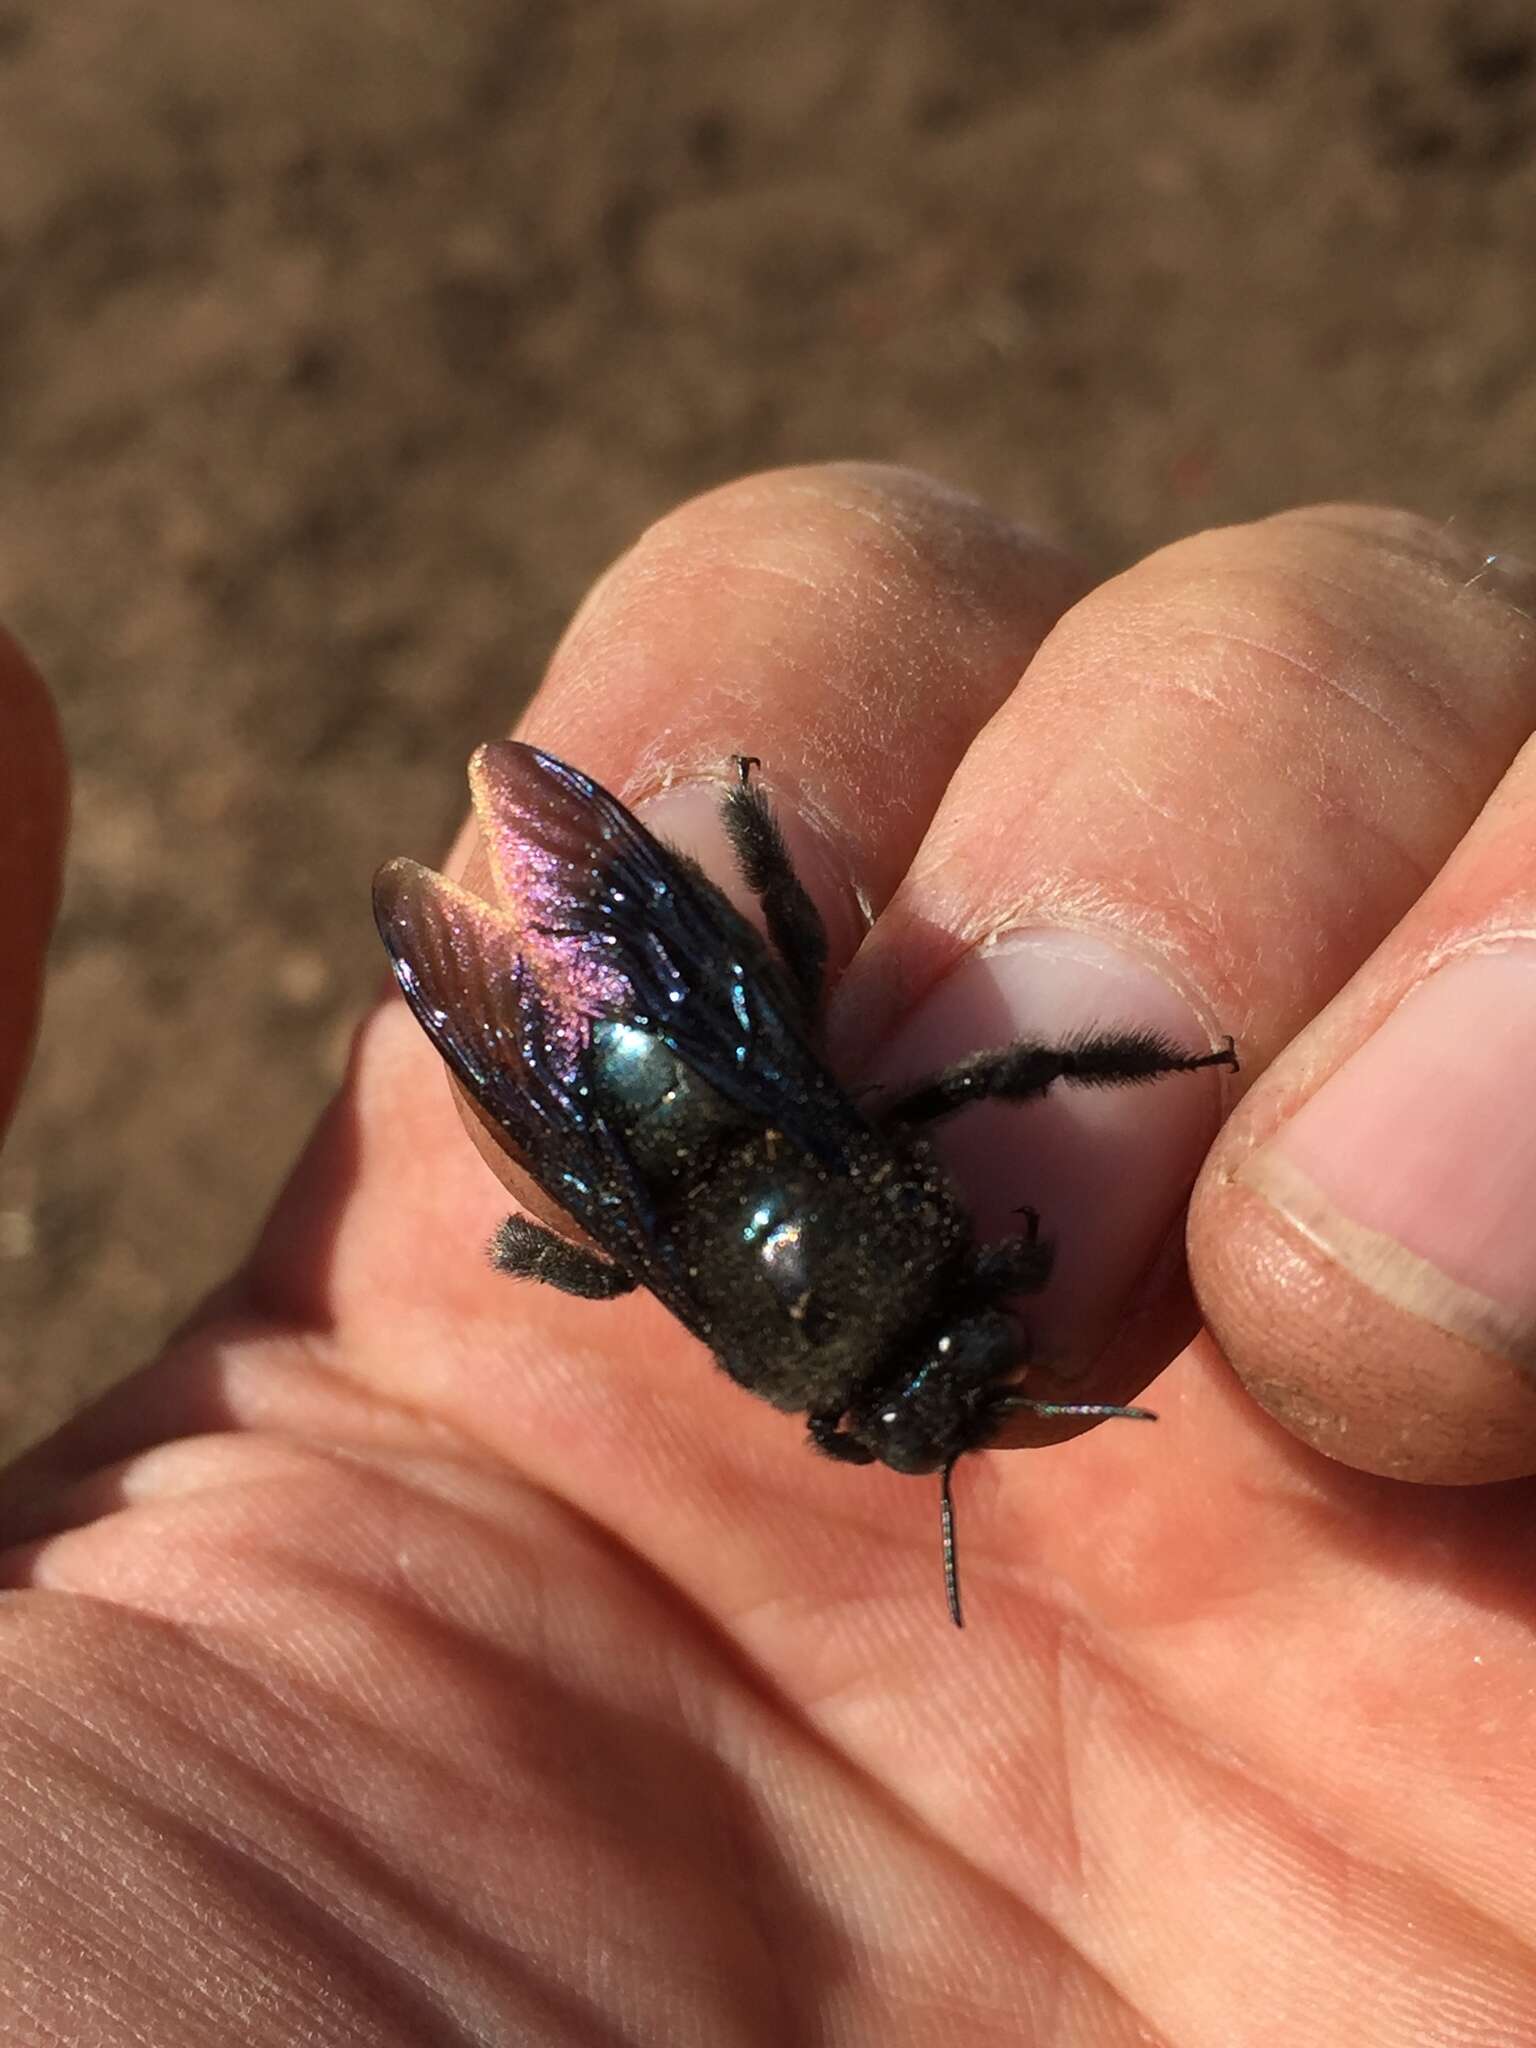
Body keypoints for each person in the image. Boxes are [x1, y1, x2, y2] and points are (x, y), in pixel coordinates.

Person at [2, 464, 1534, 2042]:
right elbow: (711, 1248)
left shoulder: (882, 1273)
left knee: (913, 1044)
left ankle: (732, 821)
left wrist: (745, 819)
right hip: (636, 1139)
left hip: (662, 1119)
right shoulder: (792, 1311)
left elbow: (971, 1143)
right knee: (817, 1044)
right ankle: (733, 826)